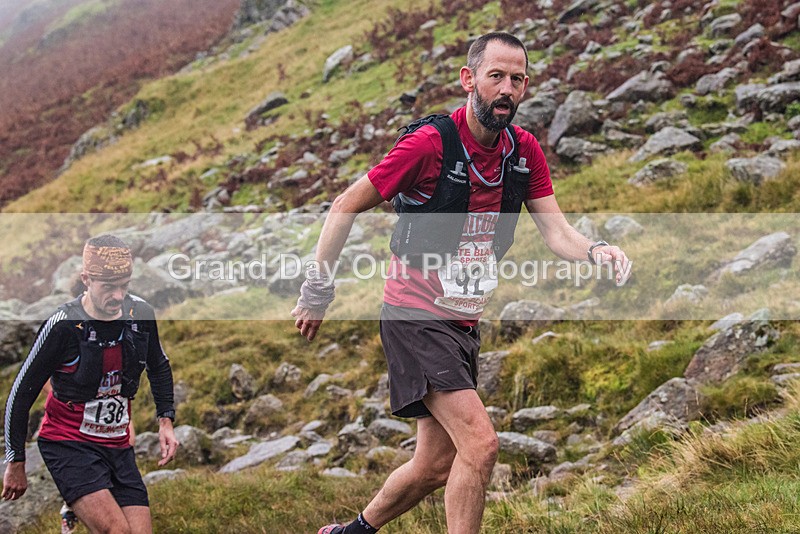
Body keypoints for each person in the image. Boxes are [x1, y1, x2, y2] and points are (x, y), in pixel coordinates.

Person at [293, 32, 631, 534]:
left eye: (517, 80)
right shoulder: (429, 144)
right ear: (469, 79)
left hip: (461, 321)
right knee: (481, 445)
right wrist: (317, 290)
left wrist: (596, 249)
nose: (507, 89)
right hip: (415, 315)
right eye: (496, 76)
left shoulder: (523, 151)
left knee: (433, 466)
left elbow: (557, 231)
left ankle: (354, 531)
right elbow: (344, 205)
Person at [2, 234, 179, 534]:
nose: (119, 296)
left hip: (117, 443)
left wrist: (166, 421)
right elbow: (21, 392)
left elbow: (159, 366)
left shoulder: (140, 314)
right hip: (69, 442)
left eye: (124, 286)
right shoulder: (62, 325)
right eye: (109, 288)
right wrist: (16, 460)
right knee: (117, 531)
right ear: (86, 279)